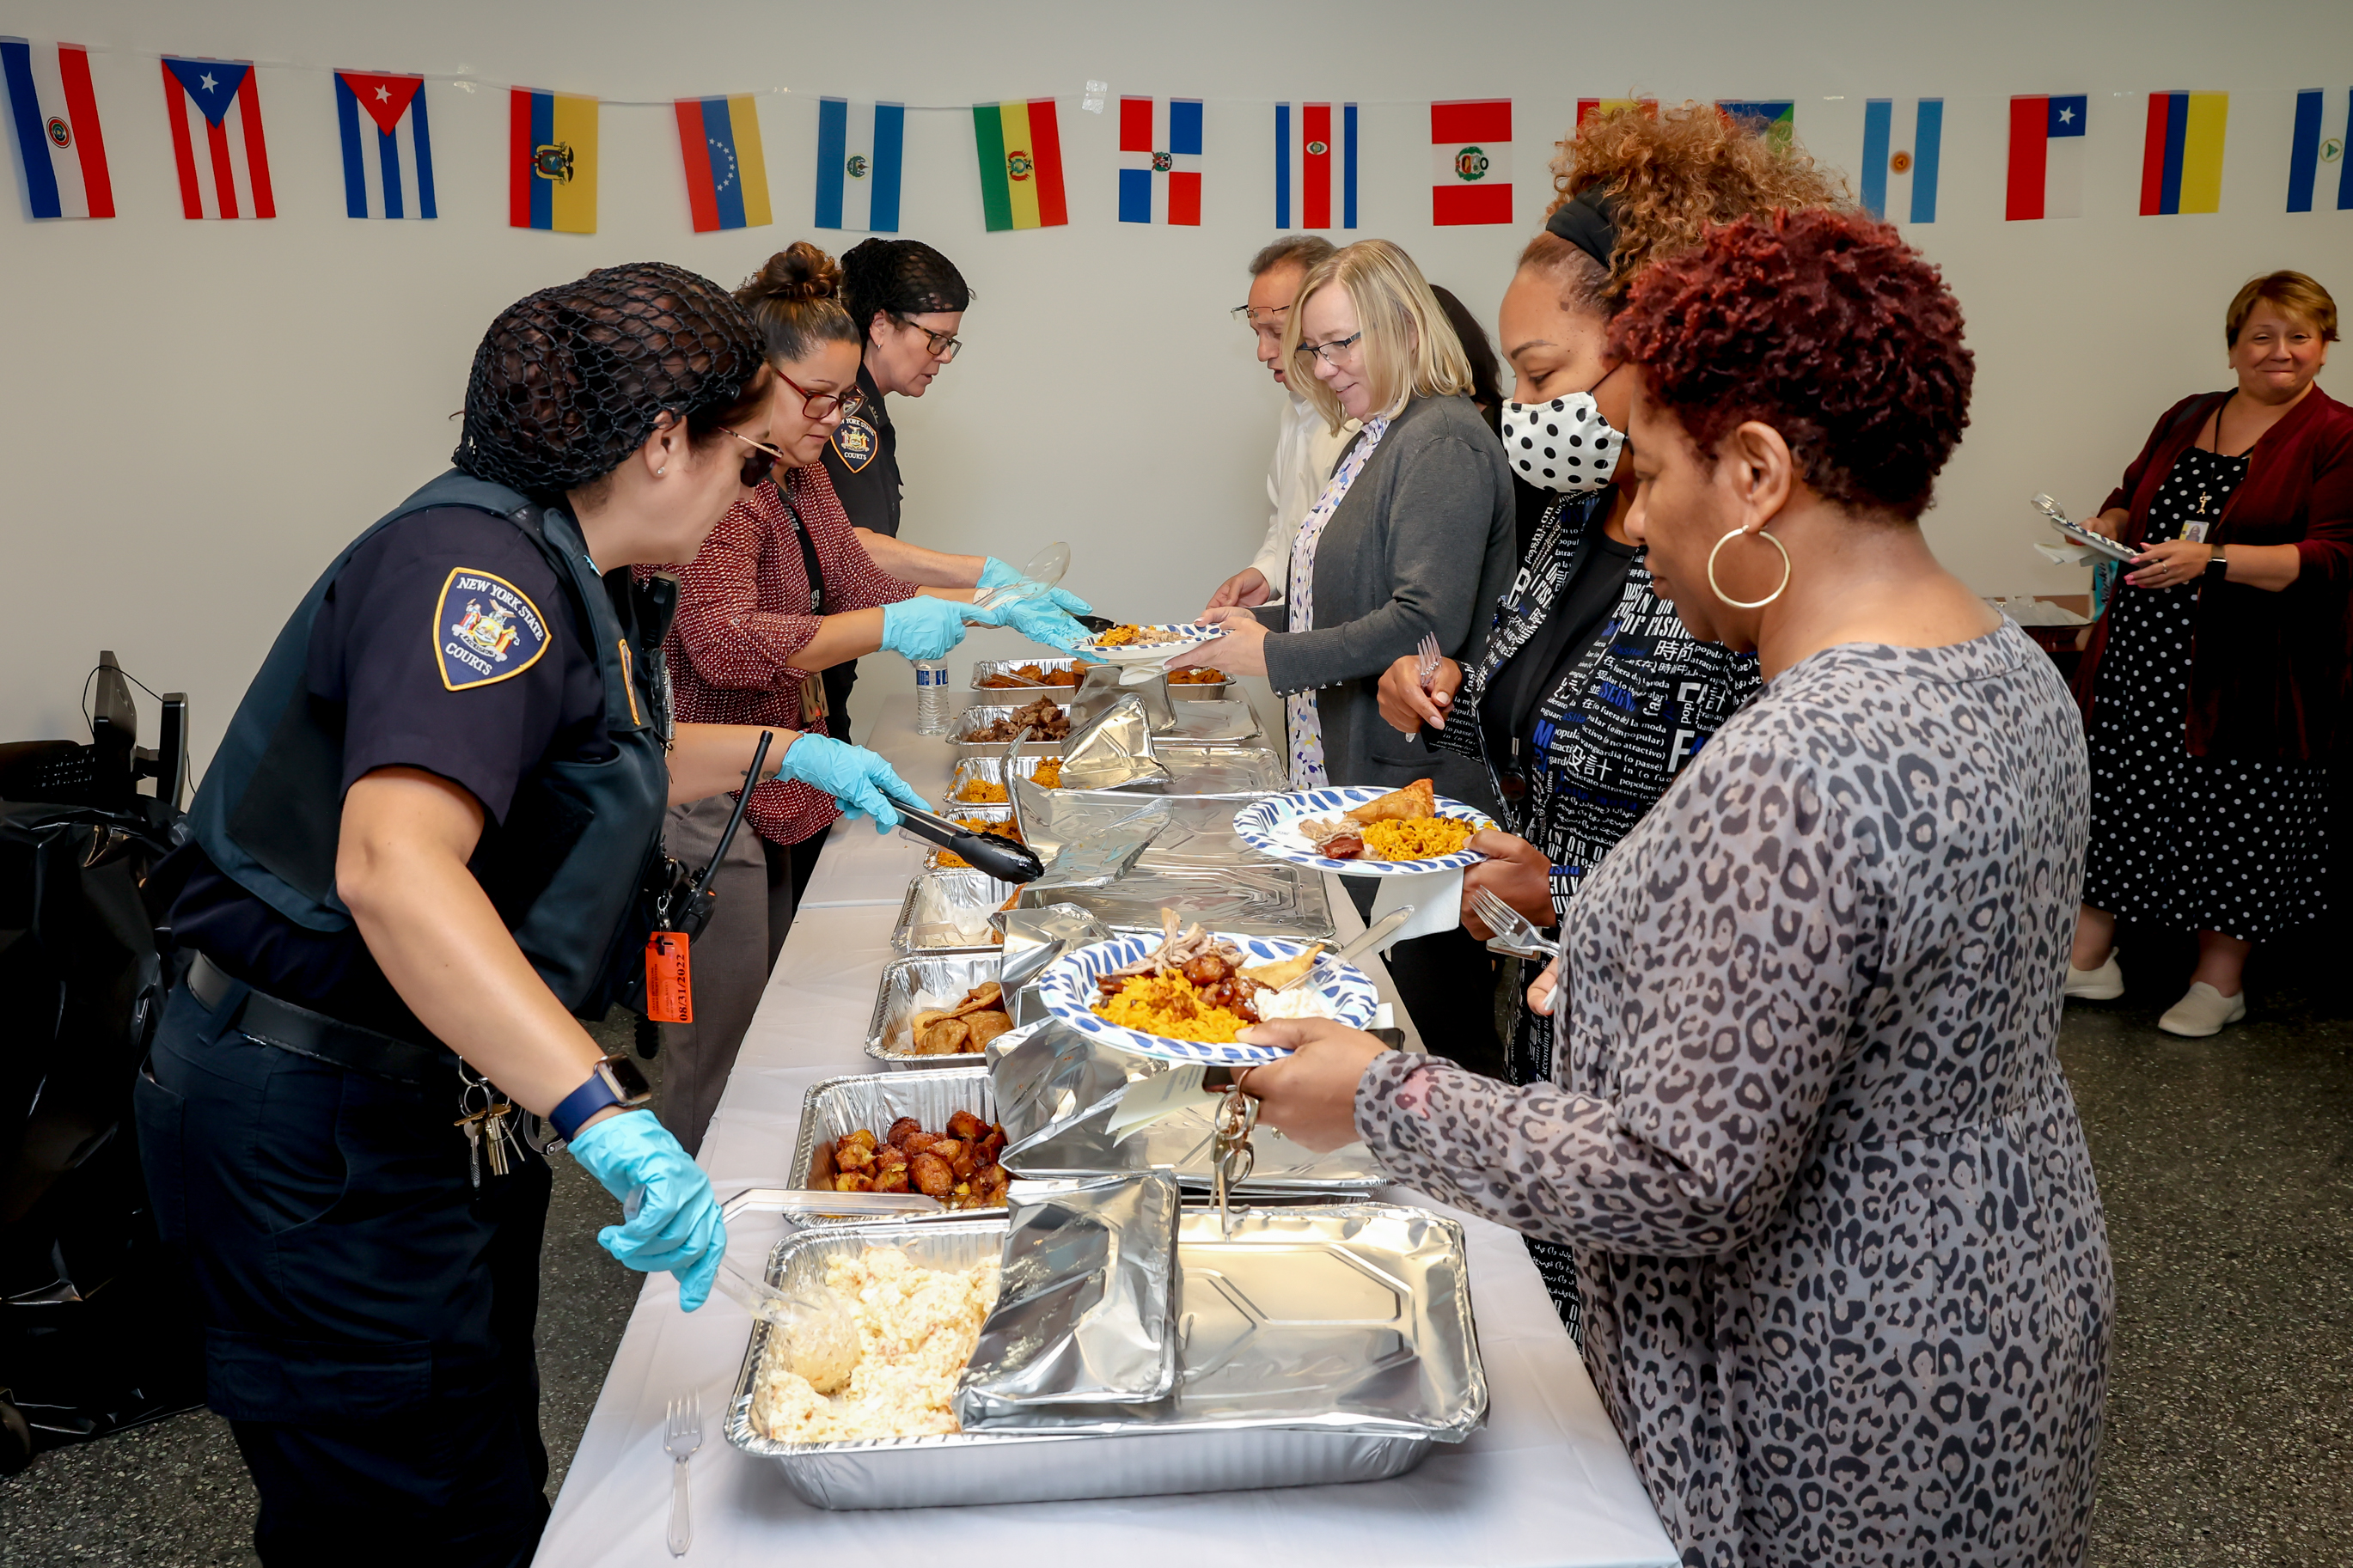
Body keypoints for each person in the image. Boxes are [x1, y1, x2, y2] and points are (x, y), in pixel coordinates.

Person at [1238, 210, 2113, 1566]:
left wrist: (1375, 1093)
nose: (1632, 521)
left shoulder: (1799, 761)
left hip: (1824, 1380)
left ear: (1754, 473)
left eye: (1648, 473)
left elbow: (1681, 1176)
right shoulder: (2006, 668)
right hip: (1999, 1291)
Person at [133, 263, 930, 1565]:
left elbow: (577, 763)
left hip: (426, 1098)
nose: (749, 487)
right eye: (741, 459)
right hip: (314, 1111)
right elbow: (398, 867)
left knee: (482, 1458)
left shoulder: (580, 562)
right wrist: (599, 1111)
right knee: (403, 1501)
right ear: (662, 439)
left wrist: (783, 758)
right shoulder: (470, 572)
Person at [1373, 99, 1838, 1337]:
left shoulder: (1733, 560)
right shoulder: (1576, 514)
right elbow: (1544, 711)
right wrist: (1444, 693)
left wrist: (1561, 892)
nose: (1523, 410)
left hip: (1680, 1080)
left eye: (1540, 375)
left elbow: (1765, 876)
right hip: (1551, 1036)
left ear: (1656, 343)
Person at [650, 242, 1090, 1154]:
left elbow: (853, 575)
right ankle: (684, 1236)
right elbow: (723, 643)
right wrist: (892, 629)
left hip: (779, 784)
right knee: (715, 1051)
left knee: (767, 1027)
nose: (836, 415)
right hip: (712, 800)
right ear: (751, 380)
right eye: (816, 396)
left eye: (844, 395)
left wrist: (987, 603)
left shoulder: (798, 472)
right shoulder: (724, 487)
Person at [1178, 238, 1519, 1077]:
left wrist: (1277, 653)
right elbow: (1356, 594)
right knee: (1390, 1013)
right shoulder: (1377, 432)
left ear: (1404, 326)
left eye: (1342, 343)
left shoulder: (1439, 436)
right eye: (1313, 347)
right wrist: (1253, 620)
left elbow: (1420, 620)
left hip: (1417, 792)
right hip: (1364, 782)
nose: (1323, 367)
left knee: (1438, 1030)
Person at [2066, 271, 2350, 1036]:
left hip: (2255, 669)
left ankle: (2218, 981)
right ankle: (2089, 956)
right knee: (2121, 795)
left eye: (2299, 335)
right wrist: (2105, 520)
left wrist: (2212, 561)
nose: (2279, 351)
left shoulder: (2337, 434)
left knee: (2237, 813)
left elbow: (2332, 559)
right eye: (2260, 335)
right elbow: (2134, 494)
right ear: (2233, 349)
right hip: (2143, 651)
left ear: (2325, 347)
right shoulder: (2188, 413)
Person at [816, 238, 972, 738]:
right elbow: (851, 549)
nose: (944, 356)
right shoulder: (849, 417)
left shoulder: (870, 410)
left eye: (951, 342)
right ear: (880, 324)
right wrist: (981, 588)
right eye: (936, 338)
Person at [1207, 235, 1350, 611]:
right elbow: (1288, 524)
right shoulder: (1295, 409)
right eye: (1258, 333)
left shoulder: (1364, 419)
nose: (1263, 352)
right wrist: (1265, 574)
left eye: (1278, 332)